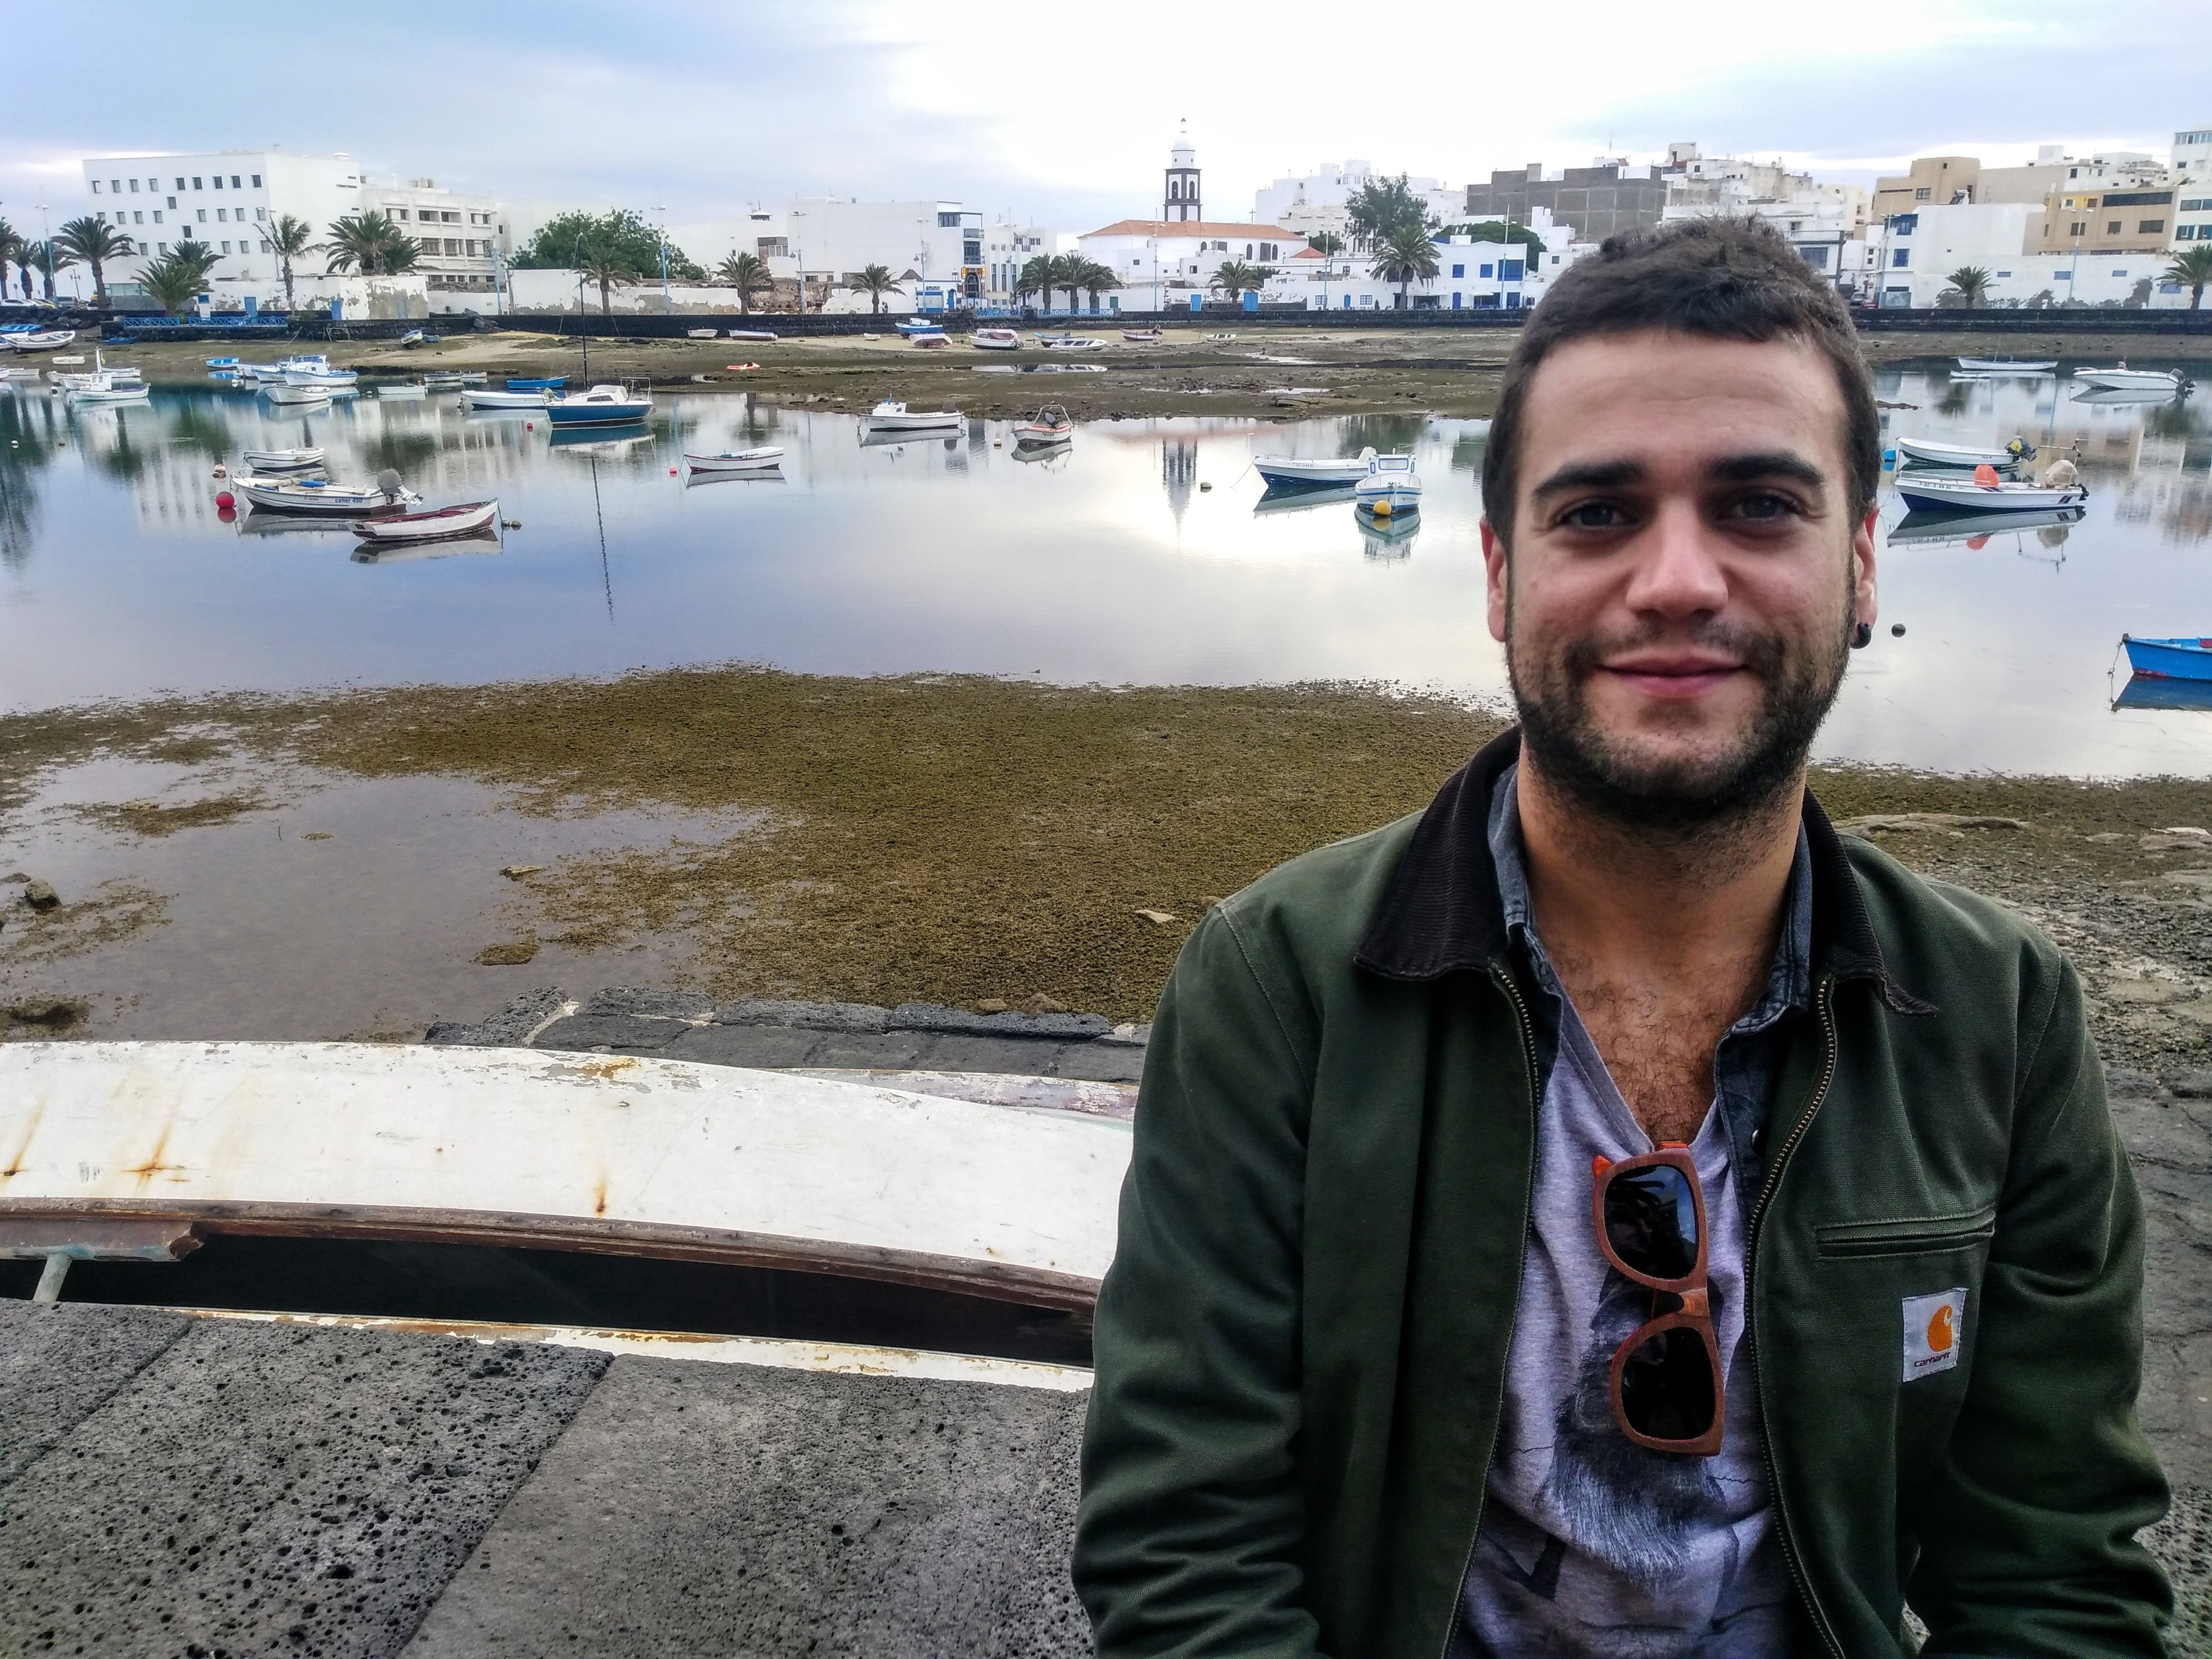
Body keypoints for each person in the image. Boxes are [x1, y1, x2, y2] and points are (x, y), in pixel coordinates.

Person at [1073, 217, 2171, 1658]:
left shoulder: (1992, 1009)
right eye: (1594, 514)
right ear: (1495, 575)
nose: (1675, 581)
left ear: (1860, 567)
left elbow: (2055, 1571)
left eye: (1757, 507)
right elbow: (1185, 1547)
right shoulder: (1283, 983)